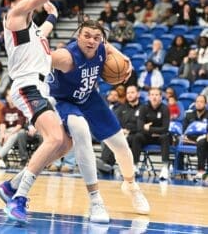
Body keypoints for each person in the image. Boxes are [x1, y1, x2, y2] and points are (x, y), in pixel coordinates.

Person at [0, 0, 101, 223]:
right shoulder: (15, 14)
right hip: (28, 86)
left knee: (64, 143)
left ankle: (10, 185)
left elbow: (42, 35)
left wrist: (52, 17)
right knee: (55, 138)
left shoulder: (31, 31)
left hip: (39, 88)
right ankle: (19, 198)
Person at [49, 20, 150, 219]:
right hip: (64, 101)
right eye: (86, 35)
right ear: (78, 36)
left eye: (96, 37)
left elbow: (107, 45)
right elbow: (42, 59)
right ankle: (96, 200)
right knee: (81, 131)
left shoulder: (102, 48)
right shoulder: (66, 57)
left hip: (89, 98)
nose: (91, 41)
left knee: (121, 145)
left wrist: (123, 57)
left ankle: (131, 185)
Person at [131, 87, 170, 180]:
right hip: (147, 137)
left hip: (159, 137)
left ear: (161, 97)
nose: (154, 97)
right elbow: (140, 128)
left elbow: (165, 128)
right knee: (137, 136)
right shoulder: (143, 108)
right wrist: (152, 131)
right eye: (152, 95)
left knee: (165, 137)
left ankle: (165, 168)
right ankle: (134, 166)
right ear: (148, 97)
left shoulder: (165, 109)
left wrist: (149, 128)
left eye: (157, 95)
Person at [0, 88, 26, 168]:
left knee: (12, 137)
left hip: (17, 131)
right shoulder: (4, 108)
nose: (11, 97)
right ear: (6, 97)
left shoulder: (20, 108)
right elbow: (2, 123)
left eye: (12, 95)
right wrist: (2, 134)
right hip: (6, 130)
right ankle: (0, 160)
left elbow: (19, 125)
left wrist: (9, 134)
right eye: (9, 96)